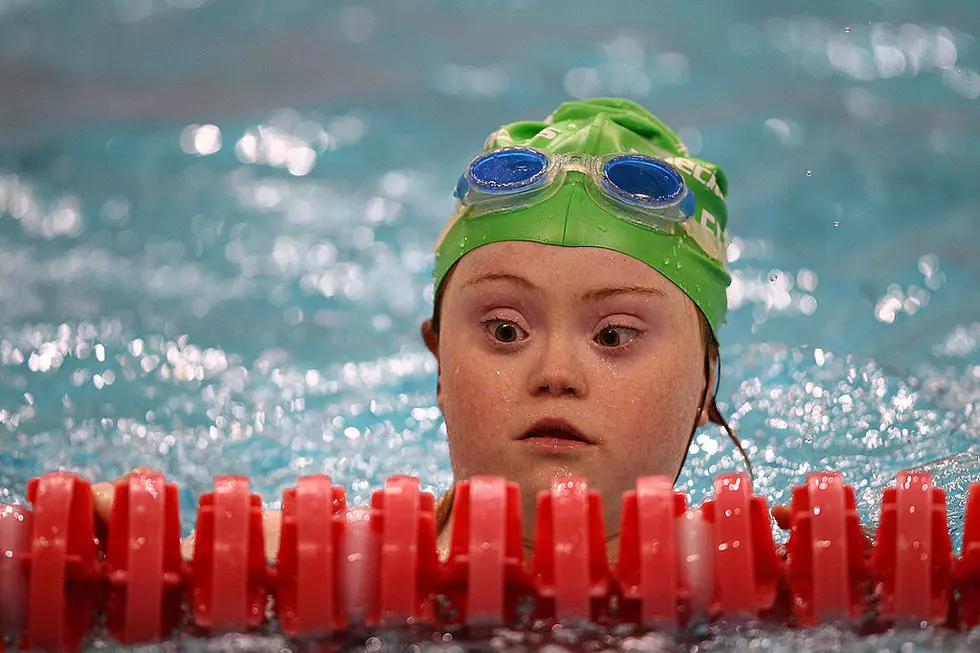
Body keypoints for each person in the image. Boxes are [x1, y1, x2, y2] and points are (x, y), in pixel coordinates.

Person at [93, 97, 753, 562]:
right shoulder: (288, 560)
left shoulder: (776, 588)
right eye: (503, 329)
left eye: (614, 336)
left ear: (705, 386)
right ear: (439, 362)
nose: (556, 372)